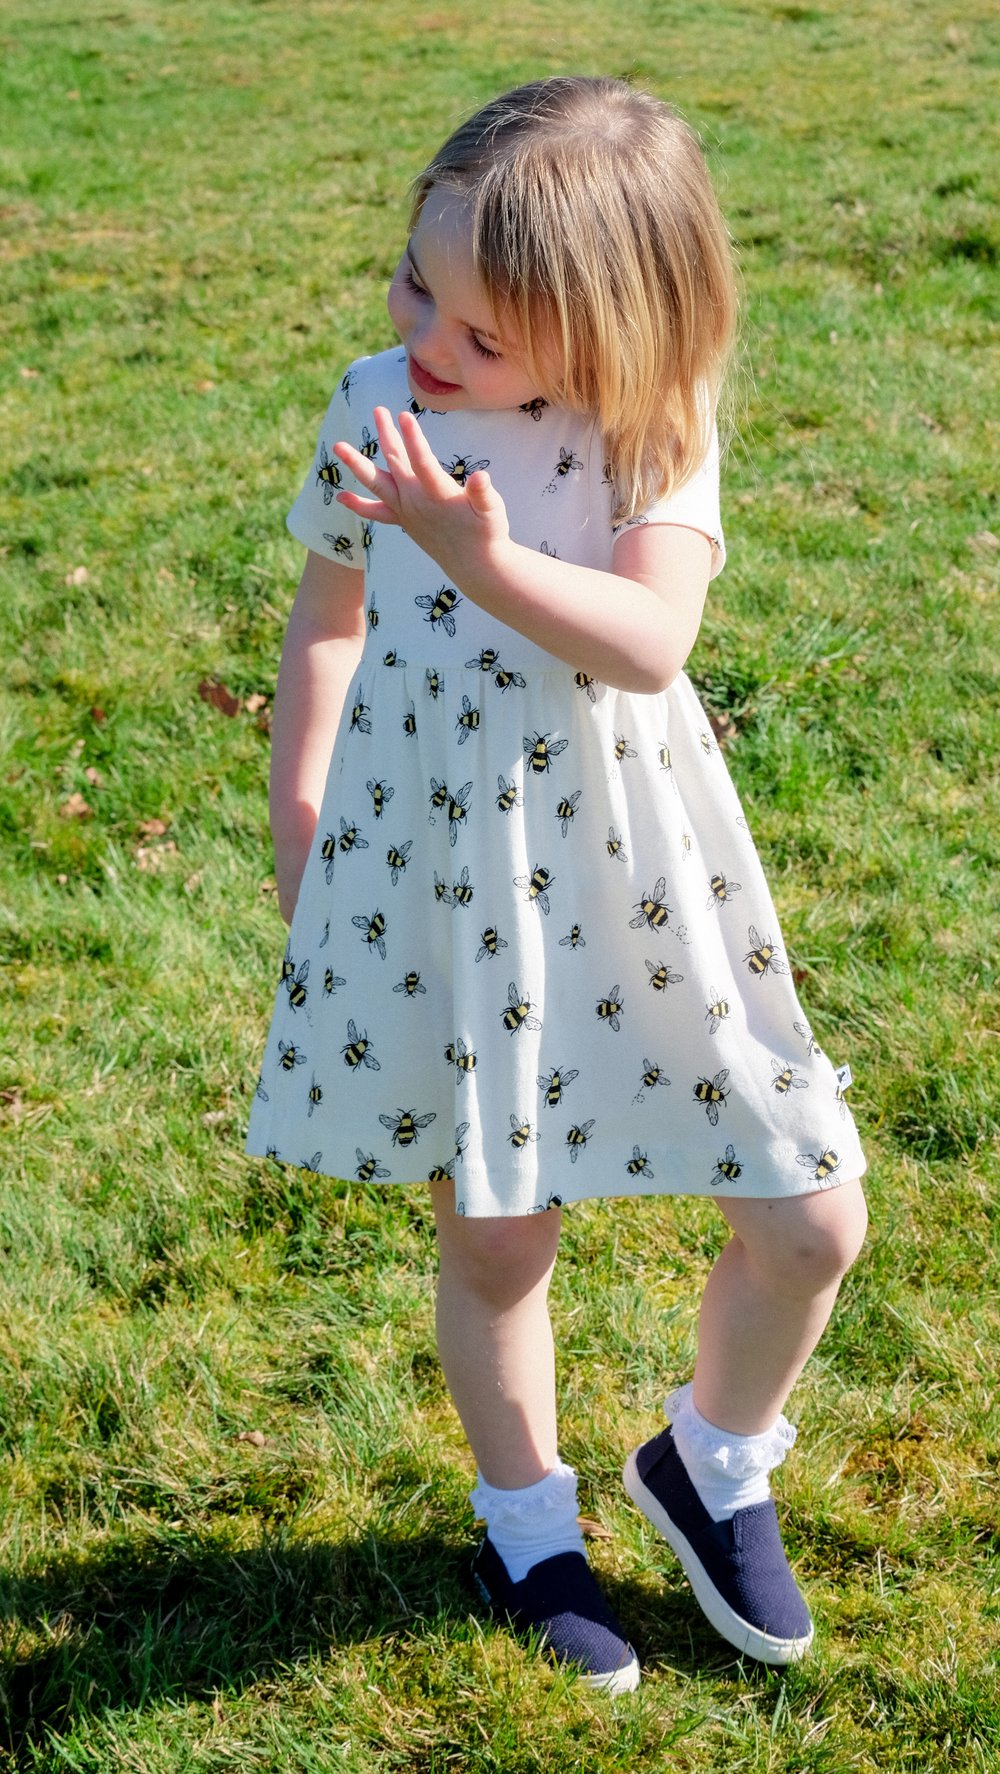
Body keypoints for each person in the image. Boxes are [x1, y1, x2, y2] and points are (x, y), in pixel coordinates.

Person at [247, 76, 868, 1693]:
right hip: (446, 880)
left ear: (615, 326)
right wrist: (296, 799)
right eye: (416, 279)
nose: (432, 334)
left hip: (637, 875)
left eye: (488, 326)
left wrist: (481, 556)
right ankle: (525, 1516)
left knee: (810, 1214)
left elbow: (650, 638)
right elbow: (329, 615)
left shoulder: (652, 423)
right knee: (499, 1238)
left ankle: (712, 1459)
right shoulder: (375, 400)